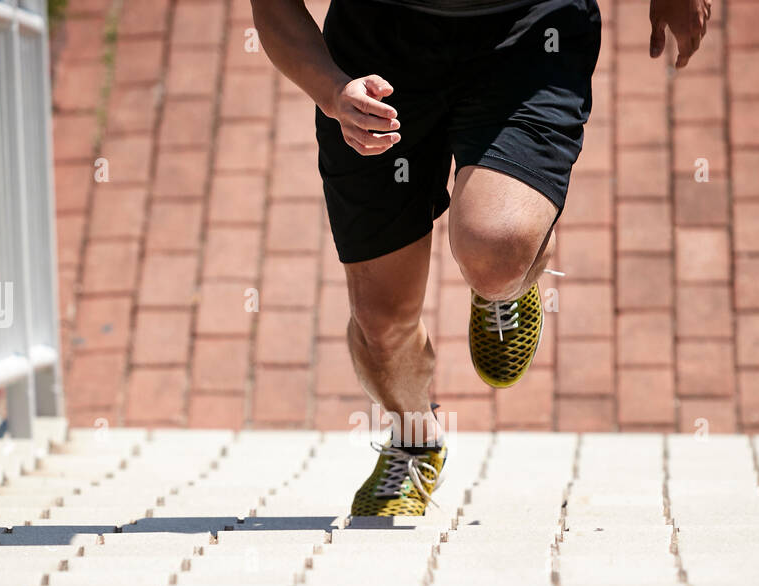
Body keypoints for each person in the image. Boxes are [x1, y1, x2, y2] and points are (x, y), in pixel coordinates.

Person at [251, 0, 711, 515]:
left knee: (495, 250)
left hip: (529, 35)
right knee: (381, 325)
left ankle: (510, 278)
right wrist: (334, 91)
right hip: (377, 52)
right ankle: (415, 439)